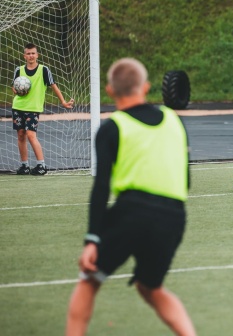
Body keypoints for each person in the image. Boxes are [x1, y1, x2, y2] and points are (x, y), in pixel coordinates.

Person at [65, 58, 196, 336]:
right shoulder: (174, 120)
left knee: (89, 280)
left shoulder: (112, 127)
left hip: (132, 212)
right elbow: (186, 180)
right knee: (151, 287)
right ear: (146, 87)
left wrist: (92, 239)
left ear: (110, 91)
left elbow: (101, 187)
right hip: (173, 217)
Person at [11, 43, 74, 175]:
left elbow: (54, 86)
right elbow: (14, 87)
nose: (31, 56)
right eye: (28, 53)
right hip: (18, 107)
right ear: (24, 56)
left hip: (33, 108)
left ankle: (41, 165)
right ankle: (24, 165)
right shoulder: (19, 70)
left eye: (33, 53)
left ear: (37, 55)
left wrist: (63, 102)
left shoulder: (44, 70)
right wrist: (18, 90)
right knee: (21, 135)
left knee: (31, 135)